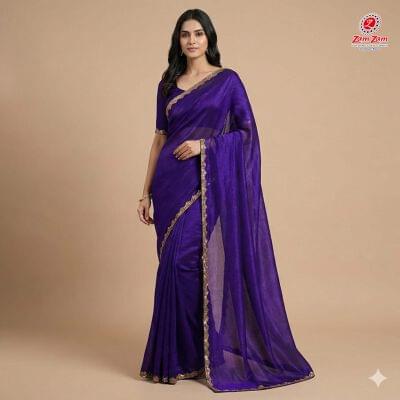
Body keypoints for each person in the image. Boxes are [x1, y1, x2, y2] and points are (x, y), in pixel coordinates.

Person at [137, 8, 315, 393]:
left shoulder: (227, 81)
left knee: (183, 263)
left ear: (209, 38)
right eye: (185, 34)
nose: (192, 41)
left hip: (205, 183)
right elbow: (159, 140)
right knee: (177, 268)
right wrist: (145, 191)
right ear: (178, 41)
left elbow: (247, 134)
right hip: (169, 186)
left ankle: (197, 354)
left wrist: (205, 146)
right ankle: (187, 357)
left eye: (198, 34)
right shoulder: (166, 85)